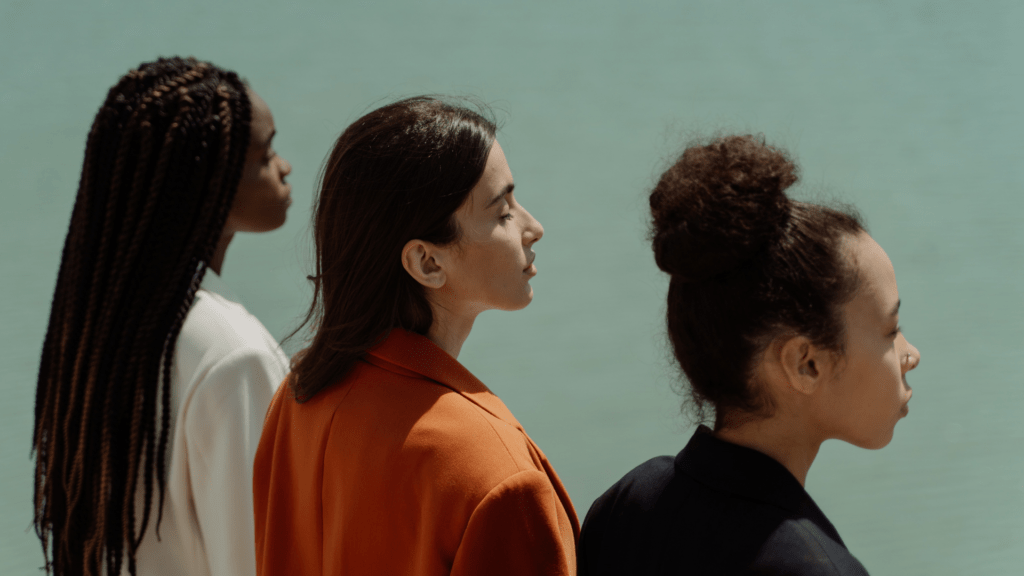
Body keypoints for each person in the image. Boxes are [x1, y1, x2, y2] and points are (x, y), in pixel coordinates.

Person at [253, 96, 578, 576]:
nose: (534, 227)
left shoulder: (300, 394)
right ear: (427, 262)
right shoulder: (494, 473)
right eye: (503, 211)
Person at [577, 135, 921, 575]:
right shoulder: (816, 568)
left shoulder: (625, 506)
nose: (910, 353)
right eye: (891, 330)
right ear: (805, 364)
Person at [32, 56, 293, 576]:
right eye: (265, 154)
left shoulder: (99, 335)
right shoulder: (232, 354)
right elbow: (256, 562)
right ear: (211, 179)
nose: (284, 166)